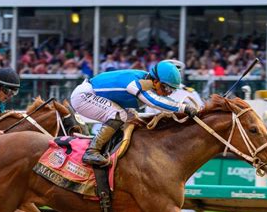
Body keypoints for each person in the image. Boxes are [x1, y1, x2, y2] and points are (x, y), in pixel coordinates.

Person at [70, 61, 199, 166]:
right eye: (166, 88)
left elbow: (162, 101)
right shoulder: (137, 84)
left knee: (133, 117)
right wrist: (183, 108)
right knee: (119, 115)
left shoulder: (147, 80)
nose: (168, 92)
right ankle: (92, 151)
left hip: (94, 94)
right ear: (155, 81)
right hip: (84, 96)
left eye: (172, 90)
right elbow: (154, 102)